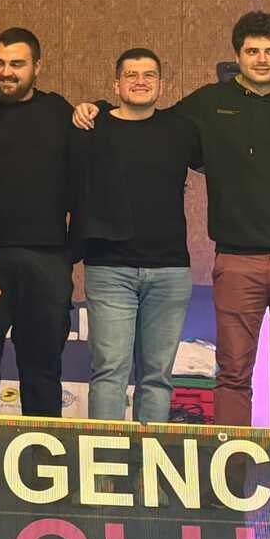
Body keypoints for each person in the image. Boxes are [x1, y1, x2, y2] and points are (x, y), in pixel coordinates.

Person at [73, 12, 270, 428]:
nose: (261, 59)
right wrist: (96, 108)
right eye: (252, 51)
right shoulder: (207, 104)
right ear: (237, 56)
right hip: (236, 259)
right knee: (231, 376)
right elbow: (145, 119)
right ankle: (233, 466)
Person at [71, 49, 202, 423]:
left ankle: (150, 458)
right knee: (110, 372)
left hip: (170, 271)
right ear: (116, 85)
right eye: (131, 75)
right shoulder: (93, 127)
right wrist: (90, 108)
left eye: (149, 75)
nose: (140, 81)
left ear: (161, 85)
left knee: (157, 377)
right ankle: (105, 459)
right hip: (110, 270)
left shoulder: (181, 130)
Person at [0, 27, 77, 418]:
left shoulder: (58, 112)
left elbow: (87, 175)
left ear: (37, 67)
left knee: (43, 368)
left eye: (17, 64)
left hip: (47, 257)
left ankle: (43, 454)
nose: (6, 72)